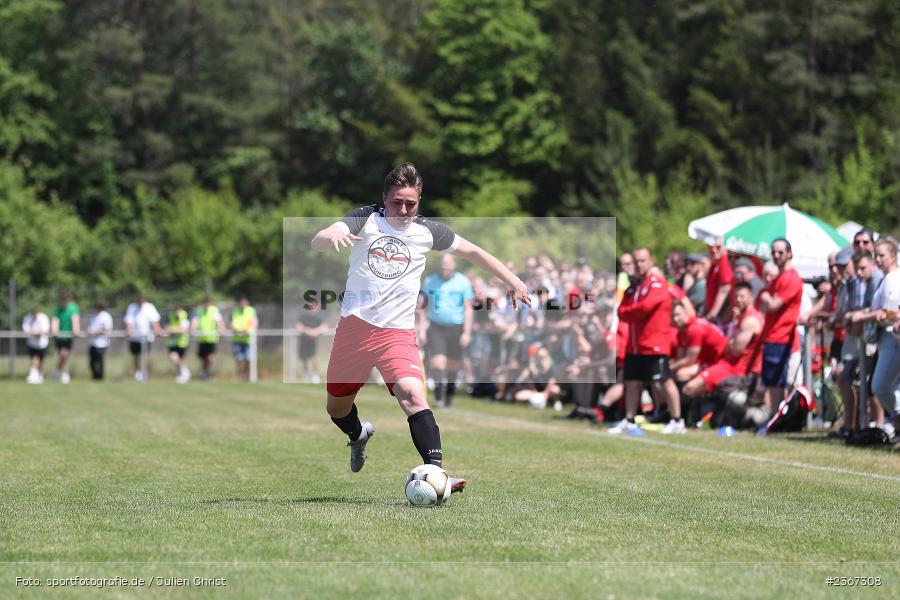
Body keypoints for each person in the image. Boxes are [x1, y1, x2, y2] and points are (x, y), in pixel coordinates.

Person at [310, 162, 530, 493]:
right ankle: (358, 434)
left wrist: (512, 280)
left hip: (396, 334)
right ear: (384, 198)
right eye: (397, 202)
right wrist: (331, 233)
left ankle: (436, 472)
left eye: (410, 203)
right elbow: (319, 241)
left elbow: (472, 251)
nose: (403, 210)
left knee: (413, 394)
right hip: (354, 330)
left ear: (419, 201)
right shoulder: (365, 218)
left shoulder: (428, 231)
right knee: (336, 409)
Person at [612, 247, 685, 435]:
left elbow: (645, 307)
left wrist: (631, 312)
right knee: (632, 382)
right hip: (635, 345)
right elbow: (621, 311)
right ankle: (629, 420)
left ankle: (677, 420)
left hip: (654, 344)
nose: (639, 265)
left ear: (651, 261)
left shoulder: (657, 284)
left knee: (664, 380)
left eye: (643, 261)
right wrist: (632, 312)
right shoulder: (634, 287)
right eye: (636, 261)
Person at [682, 282, 763, 403]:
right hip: (727, 364)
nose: (738, 300)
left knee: (690, 388)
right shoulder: (740, 317)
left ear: (751, 297)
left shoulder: (750, 320)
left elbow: (735, 350)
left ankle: (680, 418)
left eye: (742, 296)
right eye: (736, 296)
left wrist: (730, 342)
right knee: (685, 378)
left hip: (735, 369)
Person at [420, 254, 474, 408]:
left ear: (454, 265)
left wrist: (467, 332)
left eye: (448, 265)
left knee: (452, 366)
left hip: (456, 327)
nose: (445, 268)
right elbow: (423, 307)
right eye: (443, 264)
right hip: (436, 326)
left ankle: (449, 398)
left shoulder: (463, 282)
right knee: (438, 364)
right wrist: (422, 330)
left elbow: (468, 309)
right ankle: (438, 397)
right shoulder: (430, 281)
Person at [757, 238, 803, 412]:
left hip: (782, 336)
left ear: (789, 254)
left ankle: (777, 418)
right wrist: (766, 299)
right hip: (772, 335)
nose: (776, 256)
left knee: (777, 381)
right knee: (771, 380)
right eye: (773, 252)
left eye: (780, 252)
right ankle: (774, 416)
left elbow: (773, 305)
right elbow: (766, 303)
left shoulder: (791, 278)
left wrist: (766, 297)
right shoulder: (780, 277)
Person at [868, 238, 899, 441]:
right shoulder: (886, 278)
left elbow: (893, 312)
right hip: (887, 337)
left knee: (879, 386)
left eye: (882, 255)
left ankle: (897, 418)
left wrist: (880, 315)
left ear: (893, 256)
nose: (877, 260)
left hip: (893, 337)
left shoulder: (893, 278)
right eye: (876, 255)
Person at [670, 302, 727, 385]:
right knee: (671, 372)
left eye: (677, 315)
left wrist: (669, 368)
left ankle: (686, 397)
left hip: (719, 362)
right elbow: (681, 357)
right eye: (672, 316)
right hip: (706, 361)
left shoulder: (694, 329)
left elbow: (690, 360)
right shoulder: (682, 331)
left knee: (681, 374)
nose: (675, 319)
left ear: (685, 312)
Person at [125, 294, 162, 381]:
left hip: (146, 337)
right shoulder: (132, 307)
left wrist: (157, 329)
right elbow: (129, 322)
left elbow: (154, 321)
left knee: (145, 356)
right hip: (135, 337)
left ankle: (145, 372)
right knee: (136, 356)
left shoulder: (150, 307)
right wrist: (129, 330)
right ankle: (137, 373)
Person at [192, 297, 225, 380]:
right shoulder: (199, 312)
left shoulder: (214, 311)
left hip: (211, 339)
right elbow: (195, 322)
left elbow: (220, 321)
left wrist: (222, 329)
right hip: (202, 339)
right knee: (203, 359)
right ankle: (204, 373)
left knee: (210, 358)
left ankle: (204, 372)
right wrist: (193, 329)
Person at [51, 292, 80, 383]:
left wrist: (76, 330)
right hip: (59, 338)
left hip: (68, 337)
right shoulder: (57, 310)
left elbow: (75, 319)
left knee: (64, 356)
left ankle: (57, 371)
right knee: (63, 355)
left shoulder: (73, 308)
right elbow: (55, 321)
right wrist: (54, 331)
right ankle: (64, 374)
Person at [296, 298, 327, 383]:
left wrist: (315, 332)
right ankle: (306, 375)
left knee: (315, 359)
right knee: (304, 360)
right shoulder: (303, 317)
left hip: (314, 343)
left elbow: (324, 327)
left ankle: (315, 375)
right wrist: (308, 331)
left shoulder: (319, 318)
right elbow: (298, 327)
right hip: (304, 342)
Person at [704, 237, 734, 325]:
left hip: (719, 318)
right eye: (710, 247)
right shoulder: (714, 264)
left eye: (718, 247)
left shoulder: (724, 261)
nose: (713, 250)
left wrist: (712, 315)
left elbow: (725, 288)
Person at [231, 295, 258, 382]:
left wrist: (247, 329)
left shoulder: (251, 310)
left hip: (248, 340)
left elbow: (254, 323)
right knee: (240, 359)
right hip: (237, 339)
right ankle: (240, 376)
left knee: (248, 359)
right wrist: (237, 329)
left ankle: (246, 375)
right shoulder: (235, 311)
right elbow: (231, 323)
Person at [23, 306, 50, 384]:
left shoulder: (43, 318)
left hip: (42, 344)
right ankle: (33, 375)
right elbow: (26, 329)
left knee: (40, 361)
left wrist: (37, 332)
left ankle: (39, 375)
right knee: (34, 359)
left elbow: (44, 330)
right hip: (32, 343)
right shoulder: (28, 318)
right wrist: (34, 332)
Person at [87, 302, 113, 381]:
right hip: (92, 342)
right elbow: (91, 327)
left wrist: (95, 332)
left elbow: (106, 328)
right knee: (92, 361)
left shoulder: (106, 316)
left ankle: (100, 377)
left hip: (102, 343)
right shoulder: (94, 316)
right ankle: (95, 377)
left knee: (100, 361)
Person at [166, 304, 191, 383]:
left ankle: (181, 374)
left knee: (179, 359)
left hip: (182, 342)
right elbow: (166, 327)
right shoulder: (170, 316)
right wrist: (174, 329)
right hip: (172, 342)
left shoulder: (184, 316)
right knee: (173, 357)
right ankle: (184, 371)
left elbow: (183, 330)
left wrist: (173, 329)